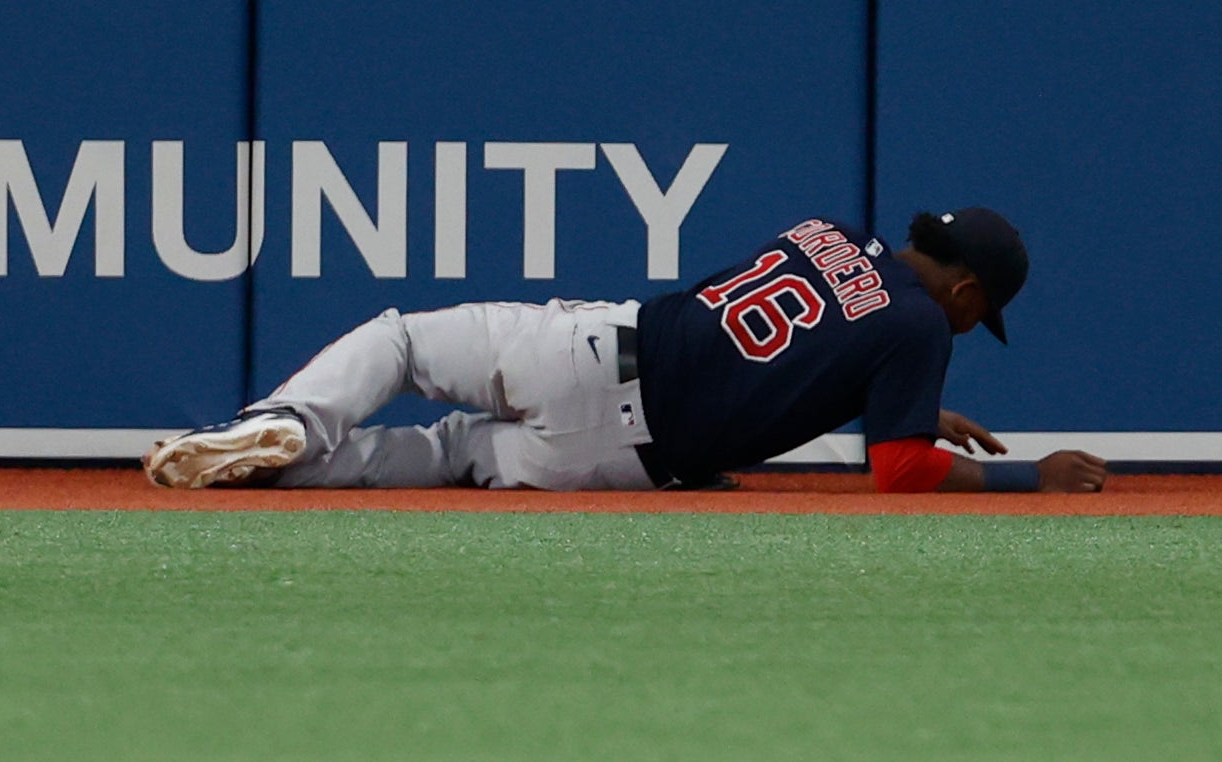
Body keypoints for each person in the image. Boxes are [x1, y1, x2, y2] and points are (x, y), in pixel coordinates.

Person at [144, 209, 1110, 496]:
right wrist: (1035, 475)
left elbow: (805, 344)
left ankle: (279, 427)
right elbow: (898, 472)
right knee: (443, 457)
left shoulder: (827, 237)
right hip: (622, 460)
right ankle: (275, 473)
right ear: (968, 292)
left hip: (594, 351)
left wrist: (908, 402)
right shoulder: (912, 328)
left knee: (399, 344)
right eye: (972, 317)